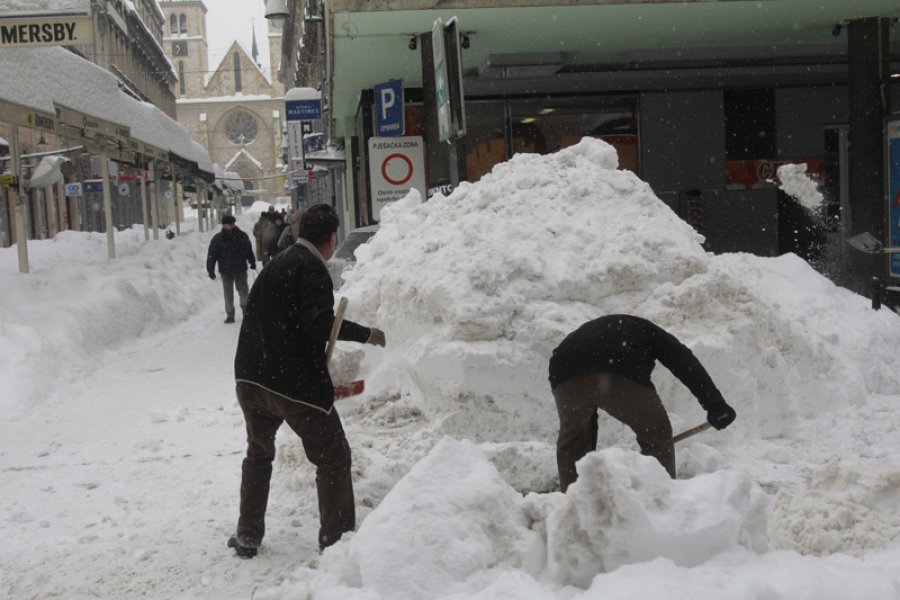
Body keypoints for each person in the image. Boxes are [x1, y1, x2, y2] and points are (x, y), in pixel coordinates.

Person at [229, 203, 387, 558]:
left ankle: (248, 535)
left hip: (251, 380)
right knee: (333, 458)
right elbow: (317, 323)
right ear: (331, 239)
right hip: (292, 385)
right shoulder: (312, 269)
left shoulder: (276, 265)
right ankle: (338, 547)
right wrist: (365, 334)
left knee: (258, 454)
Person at [548, 314, 736, 490]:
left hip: (562, 368)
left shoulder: (614, 330)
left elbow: (587, 414)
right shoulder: (650, 332)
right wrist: (715, 404)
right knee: (656, 433)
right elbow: (683, 362)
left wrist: (586, 446)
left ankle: (574, 502)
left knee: (574, 442)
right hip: (614, 361)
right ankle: (660, 499)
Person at [206, 214, 256, 324]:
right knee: (228, 293)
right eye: (226, 224)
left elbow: (248, 250)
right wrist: (210, 269)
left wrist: (252, 261)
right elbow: (212, 255)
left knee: (243, 291)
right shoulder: (218, 239)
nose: (228, 226)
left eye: (230, 224)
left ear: (233, 224)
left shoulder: (242, 236)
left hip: (240, 269)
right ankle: (230, 315)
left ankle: (246, 311)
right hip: (225, 270)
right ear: (223, 225)